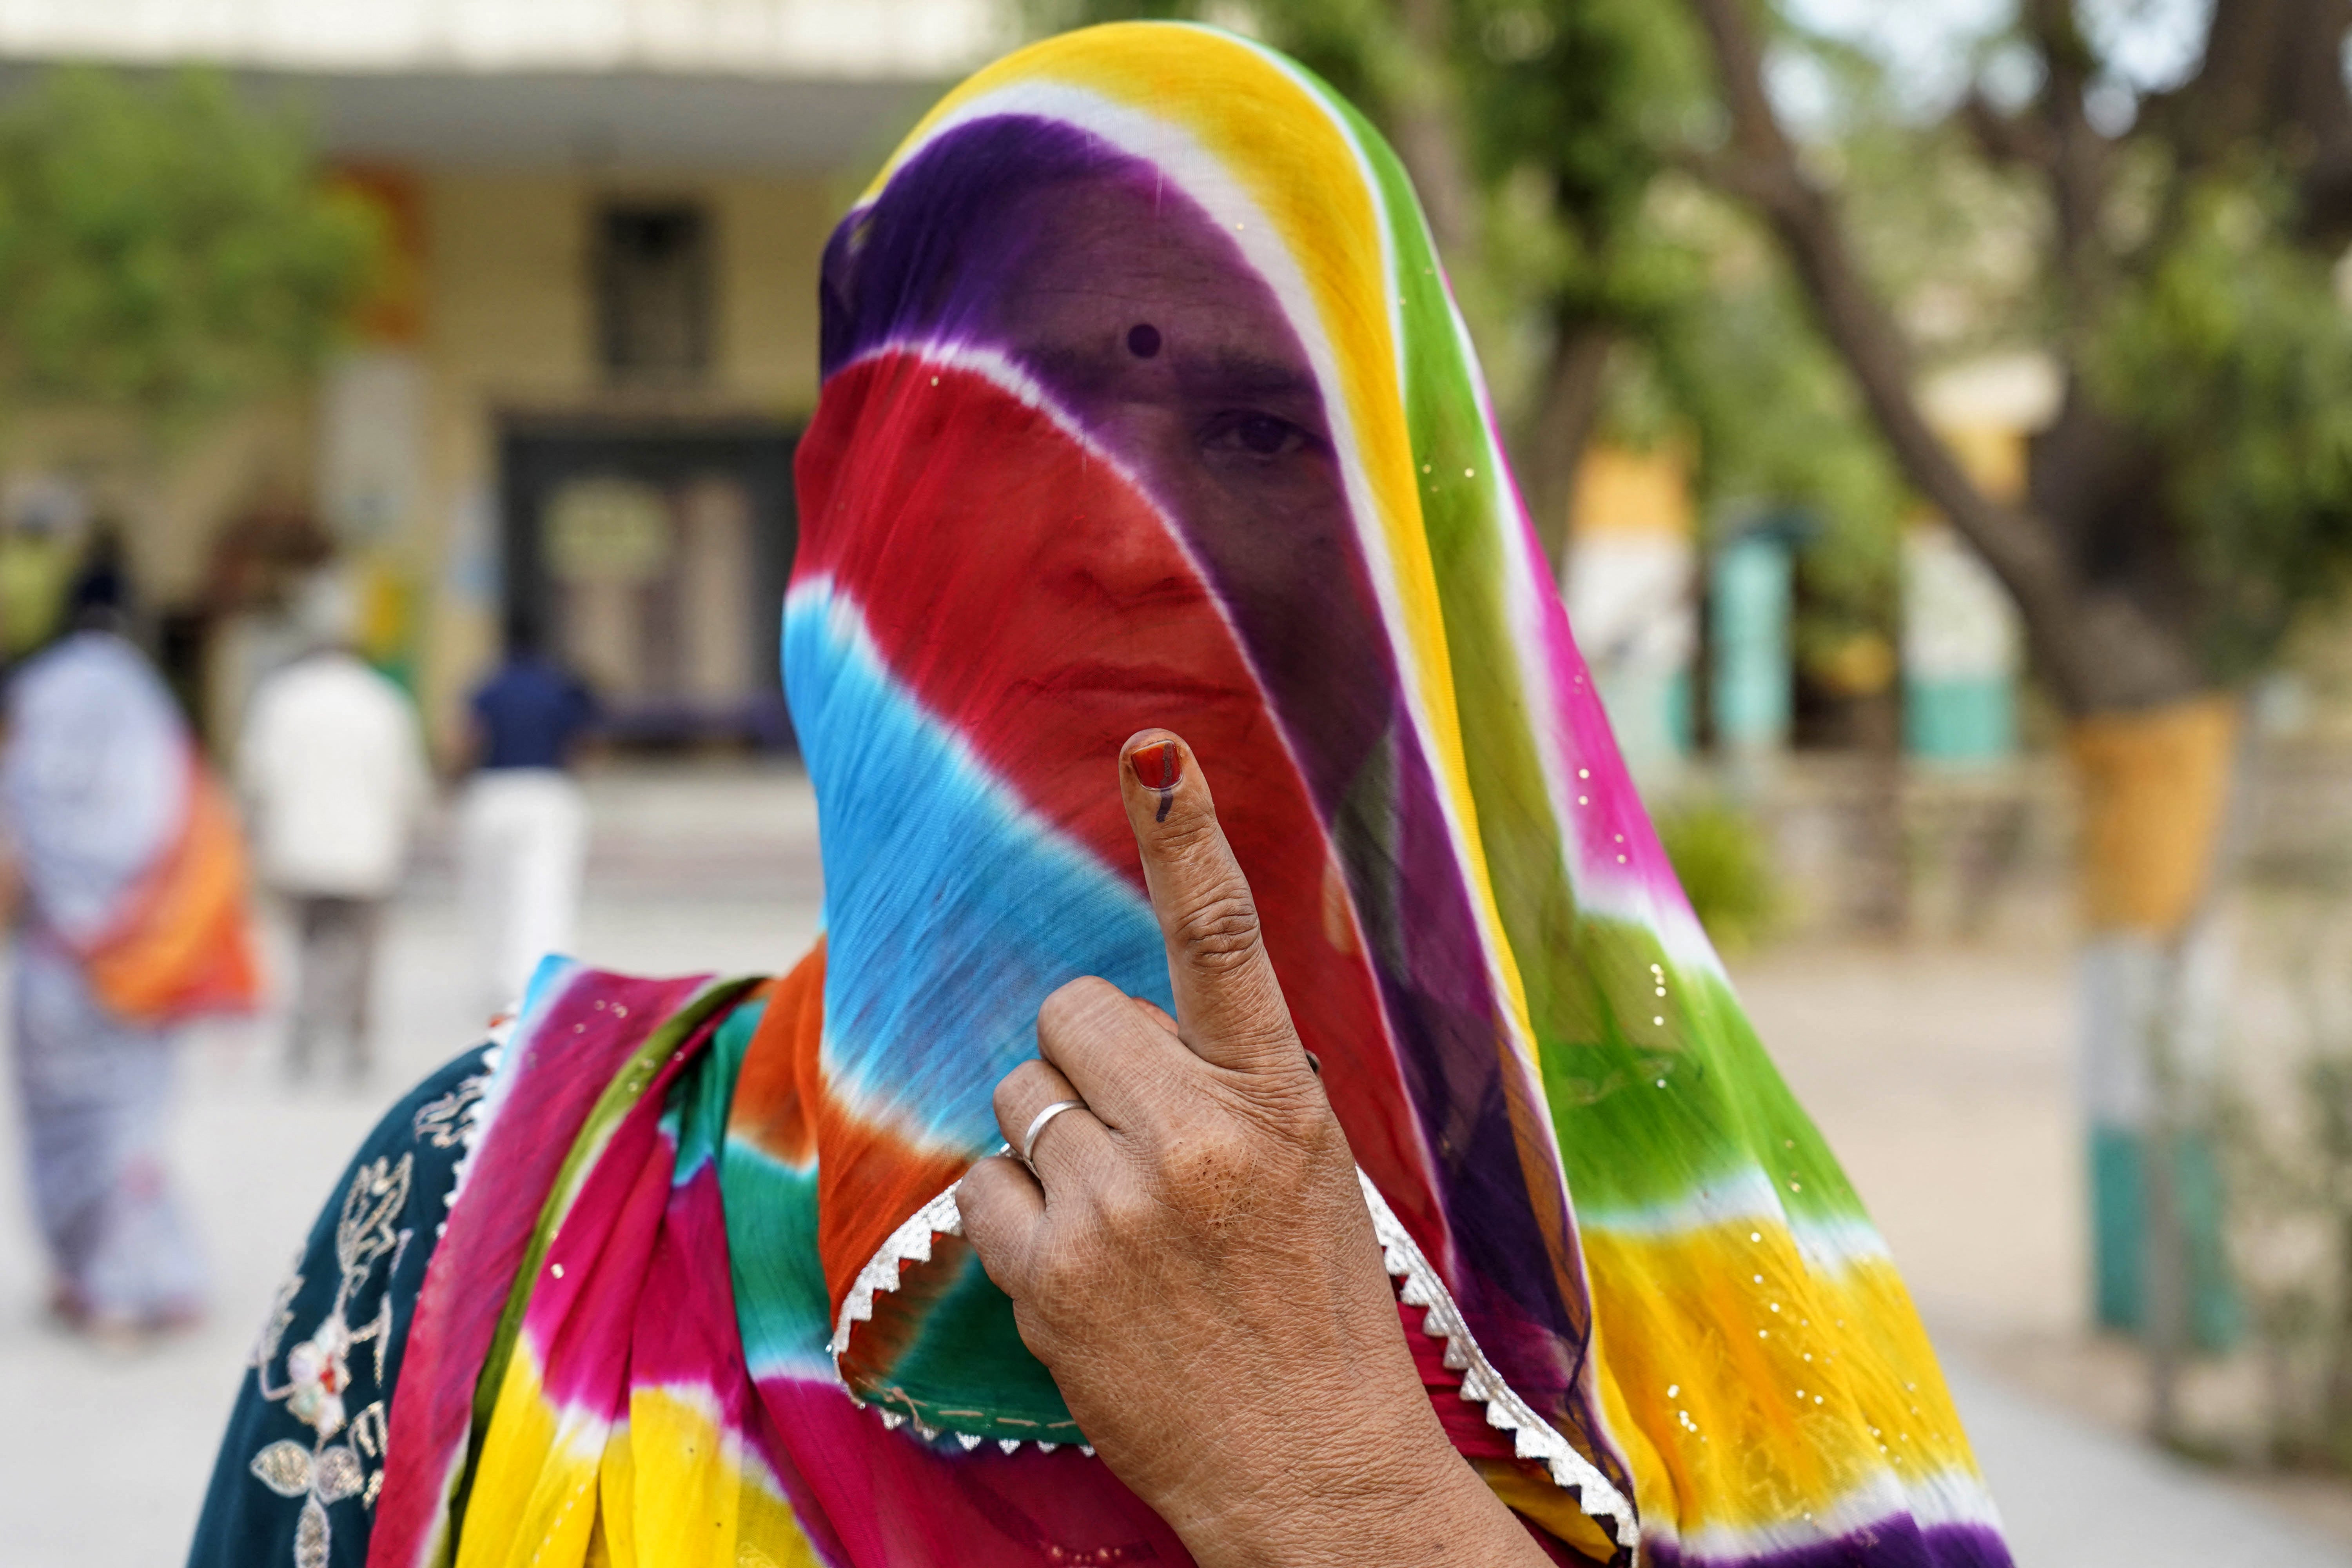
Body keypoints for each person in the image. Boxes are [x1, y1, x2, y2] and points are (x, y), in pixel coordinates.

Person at [188, 24, 2011, 1568]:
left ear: (1417, 566)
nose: (1123, 539)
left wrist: (1349, 1491)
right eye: (1007, 428)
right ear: (846, 538)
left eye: (1252, 431)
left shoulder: (1688, 1291)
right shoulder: (498, 1208)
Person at [4, 560, 257, 1338]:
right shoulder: (151, 709)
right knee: (131, 1122)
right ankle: (144, 1281)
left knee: (62, 1124)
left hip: (52, 956)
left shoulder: (36, 698)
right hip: (149, 948)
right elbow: (200, 830)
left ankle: (86, 1274)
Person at [238, 575, 431, 1082]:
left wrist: (255, 831)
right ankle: (356, 1043)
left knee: (303, 947)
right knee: (362, 953)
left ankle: (302, 1036)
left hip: (297, 848)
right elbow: (406, 781)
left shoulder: (281, 699)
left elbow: (256, 776)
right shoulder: (383, 702)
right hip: (366, 850)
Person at [457, 619, 595, 1011]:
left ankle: (498, 980)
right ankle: (540, 978)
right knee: (546, 889)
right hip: (548, 790)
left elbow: (467, 738)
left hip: (492, 790)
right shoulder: (560, 686)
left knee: (489, 892)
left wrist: (451, 780)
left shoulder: (488, 686)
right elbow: (582, 740)